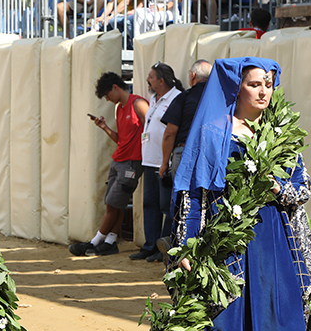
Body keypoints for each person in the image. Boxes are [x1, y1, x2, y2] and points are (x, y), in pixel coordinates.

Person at [134, 58, 311, 331]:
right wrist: (185, 246)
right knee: (225, 322)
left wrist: (278, 188)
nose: (264, 91)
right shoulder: (214, 132)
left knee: (277, 321)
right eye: (254, 84)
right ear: (236, 89)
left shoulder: (278, 135)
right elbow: (193, 194)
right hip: (226, 243)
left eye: (268, 84)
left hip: (272, 243)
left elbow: (303, 188)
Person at [69, 72, 148, 257]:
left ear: (115, 87)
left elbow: (150, 129)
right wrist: (104, 127)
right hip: (121, 160)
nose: (108, 99)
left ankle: (96, 241)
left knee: (112, 204)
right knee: (115, 204)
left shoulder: (137, 103)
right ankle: (110, 241)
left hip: (130, 162)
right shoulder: (121, 108)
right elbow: (122, 139)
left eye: (107, 95)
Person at [132, 63, 182, 262]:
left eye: (151, 77)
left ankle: (163, 247)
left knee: (166, 206)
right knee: (149, 204)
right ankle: (150, 245)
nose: (148, 80)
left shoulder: (177, 98)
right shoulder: (153, 99)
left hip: (165, 161)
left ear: (162, 80)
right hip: (149, 160)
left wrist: (166, 160)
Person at [159, 59, 212, 195]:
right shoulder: (220, 99)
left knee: (182, 200)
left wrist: (165, 163)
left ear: (192, 76)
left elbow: (170, 133)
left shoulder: (184, 97)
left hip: (184, 152)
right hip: (211, 154)